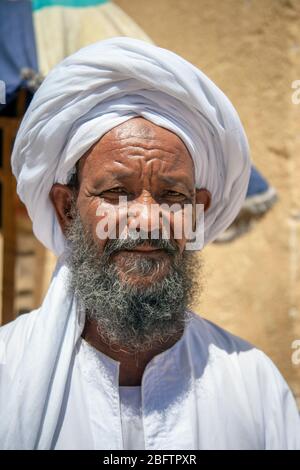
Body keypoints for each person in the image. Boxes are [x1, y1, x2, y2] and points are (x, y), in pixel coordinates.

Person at [0, 38, 299, 450]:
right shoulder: (6, 372)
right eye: (115, 191)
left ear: (198, 211)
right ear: (67, 208)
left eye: (172, 196)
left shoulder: (253, 386)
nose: (146, 218)